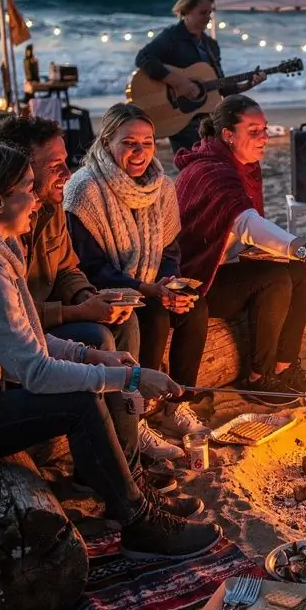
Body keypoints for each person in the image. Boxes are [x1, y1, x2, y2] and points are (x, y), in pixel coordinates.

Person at [0, 143, 220, 559]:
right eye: (28, 188)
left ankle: (133, 497)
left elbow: (27, 339)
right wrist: (131, 378)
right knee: (80, 402)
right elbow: (36, 372)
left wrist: (93, 357)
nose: (38, 197)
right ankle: (139, 525)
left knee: (92, 369)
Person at [65, 104, 209, 458]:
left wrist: (170, 285)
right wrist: (147, 290)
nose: (140, 151)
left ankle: (177, 404)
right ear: (106, 142)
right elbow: (90, 266)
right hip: (103, 290)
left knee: (195, 306)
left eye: (147, 142)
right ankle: (138, 417)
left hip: (149, 284)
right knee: (153, 315)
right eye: (129, 142)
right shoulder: (85, 190)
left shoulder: (161, 186)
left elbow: (170, 248)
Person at [175, 96, 306, 400]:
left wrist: (296, 255)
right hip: (199, 278)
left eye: (264, 129)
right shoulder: (211, 171)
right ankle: (257, 378)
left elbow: (245, 231)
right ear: (227, 135)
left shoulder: (241, 167)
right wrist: (303, 247)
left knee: (300, 273)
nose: (264, 137)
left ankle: (283, 368)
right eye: (254, 131)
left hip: (227, 265)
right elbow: (246, 224)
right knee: (273, 280)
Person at [134, 0, 265, 151]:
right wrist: (178, 82)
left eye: (210, 12)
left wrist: (248, 84)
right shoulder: (172, 37)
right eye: (203, 12)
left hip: (208, 118)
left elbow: (221, 86)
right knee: (191, 166)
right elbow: (143, 58)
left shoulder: (210, 45)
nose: (208, 17)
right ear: (187, 11)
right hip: (180, 115)